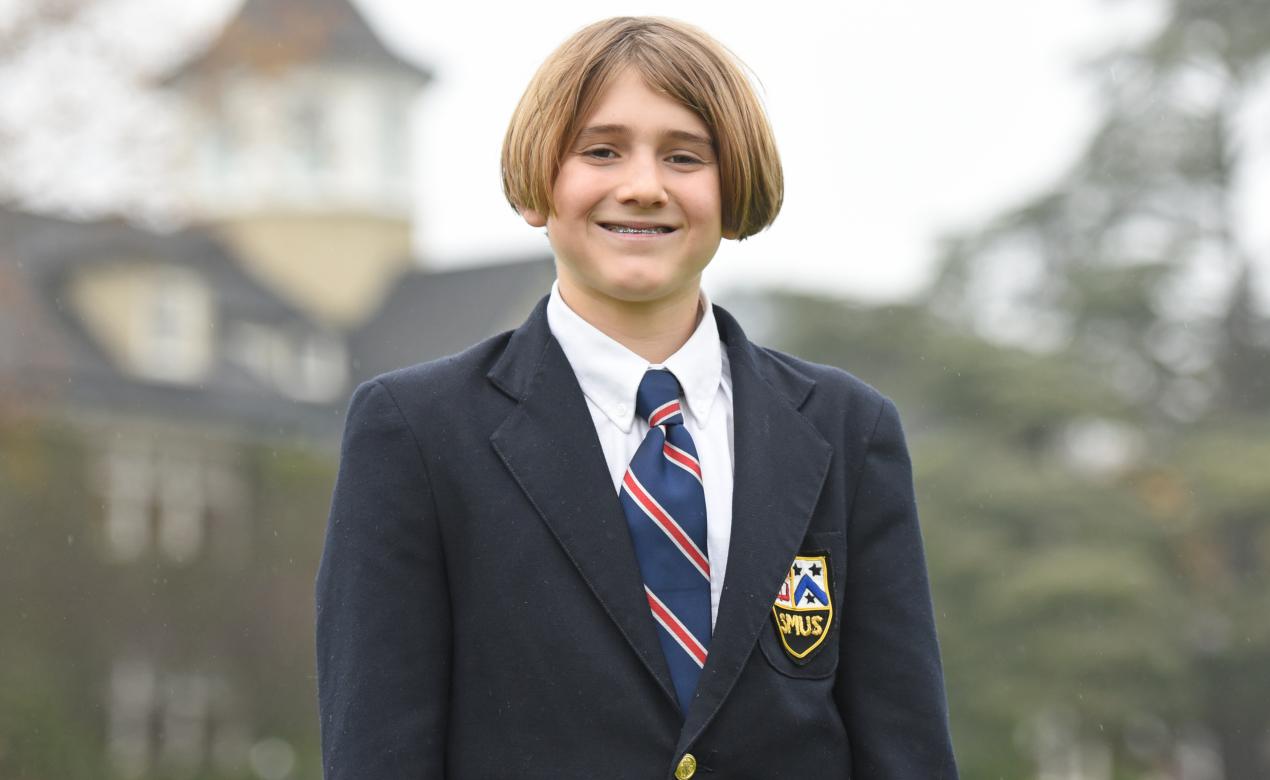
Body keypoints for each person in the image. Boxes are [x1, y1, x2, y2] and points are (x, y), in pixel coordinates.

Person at [316, 16, 957, 780]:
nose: (644, 186)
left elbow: (904, 747)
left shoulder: (850, 431)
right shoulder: (417, 432)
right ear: (539, 181)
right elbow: (377, 753)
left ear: (735, 187)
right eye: (601, 151)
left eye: (685, 156)